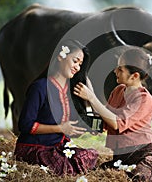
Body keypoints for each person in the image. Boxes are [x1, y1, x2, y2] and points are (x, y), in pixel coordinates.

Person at [74, 46, 152, 181]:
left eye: (120, 69)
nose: (115, 71)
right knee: (95, 174)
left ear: (134, 76)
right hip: (121, 159)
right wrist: (85, 121)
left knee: (139, 178)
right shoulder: (118, 90)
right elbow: (106, 120)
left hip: (145, 155)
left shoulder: (144, 99)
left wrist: (92, 97)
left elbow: (117, 123)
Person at [14, 39, 98, 176]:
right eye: (75, 61)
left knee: (90, 155)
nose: (77, 67)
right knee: (66, 169)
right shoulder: (40, 87)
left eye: (80, 64)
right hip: (35, 148)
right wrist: (60, 128)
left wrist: (89, 100)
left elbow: (82, 124)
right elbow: (25, 125)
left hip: (59, 147)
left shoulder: (72, 91)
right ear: (60, 56)